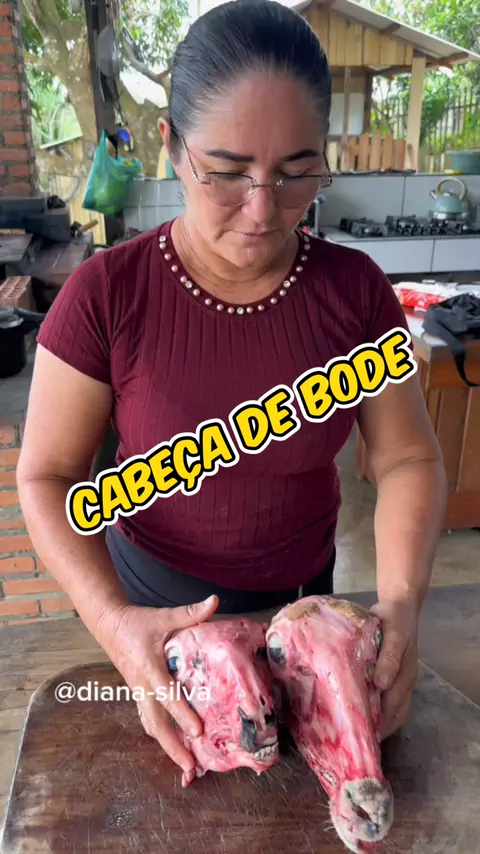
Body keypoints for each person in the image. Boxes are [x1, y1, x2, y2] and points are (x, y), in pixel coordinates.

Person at [17, 0, 447, 789]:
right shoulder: (106, 295)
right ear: (171, 146)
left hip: (305, 613)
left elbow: (407, 456)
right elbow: (46, 476)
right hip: (153, 619)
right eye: (226, 172)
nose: (262, 209)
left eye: (295, 173)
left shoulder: (354, 292)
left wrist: (401, 604)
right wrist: (116, 627)